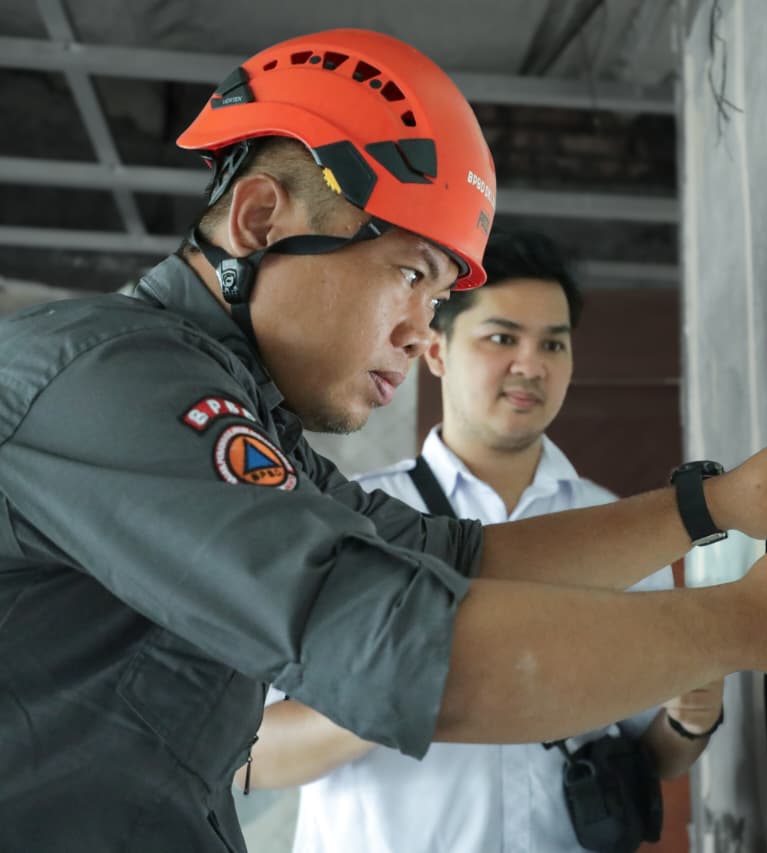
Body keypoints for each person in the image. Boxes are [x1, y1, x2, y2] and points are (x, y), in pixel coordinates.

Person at [0, 29, 767, 853]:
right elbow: (400, 645)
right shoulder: (109, 382)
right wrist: (753, 623)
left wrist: (714, 506)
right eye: (408, 272)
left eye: (436, 296)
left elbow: (455, 560)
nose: (417, 330)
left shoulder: (243, 413)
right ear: (258, 219)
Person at [245, 228, 725, 851]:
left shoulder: (620, 532)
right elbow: (253, 755)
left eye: (554, 343)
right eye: (502, 338)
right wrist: (404, 686)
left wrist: (691, 723)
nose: (531, 364)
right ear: (437, 351)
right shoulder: (346, 518)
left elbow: (646, 753)